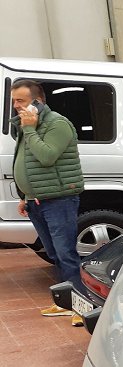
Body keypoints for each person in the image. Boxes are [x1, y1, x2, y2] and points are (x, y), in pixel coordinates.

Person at [10, 78, 85, 325]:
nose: (16, 106)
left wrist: (29, 129)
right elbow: (26, 162)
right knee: (53, 252)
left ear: (38, 101)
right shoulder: (27, 124)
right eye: (13, 102)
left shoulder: (57, 124)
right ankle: (64, 302)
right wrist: (26, 197)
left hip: (59, 200)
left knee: (65, 253)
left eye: (20, 101)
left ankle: (80, 306)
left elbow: (46, 157)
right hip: (38, 201)